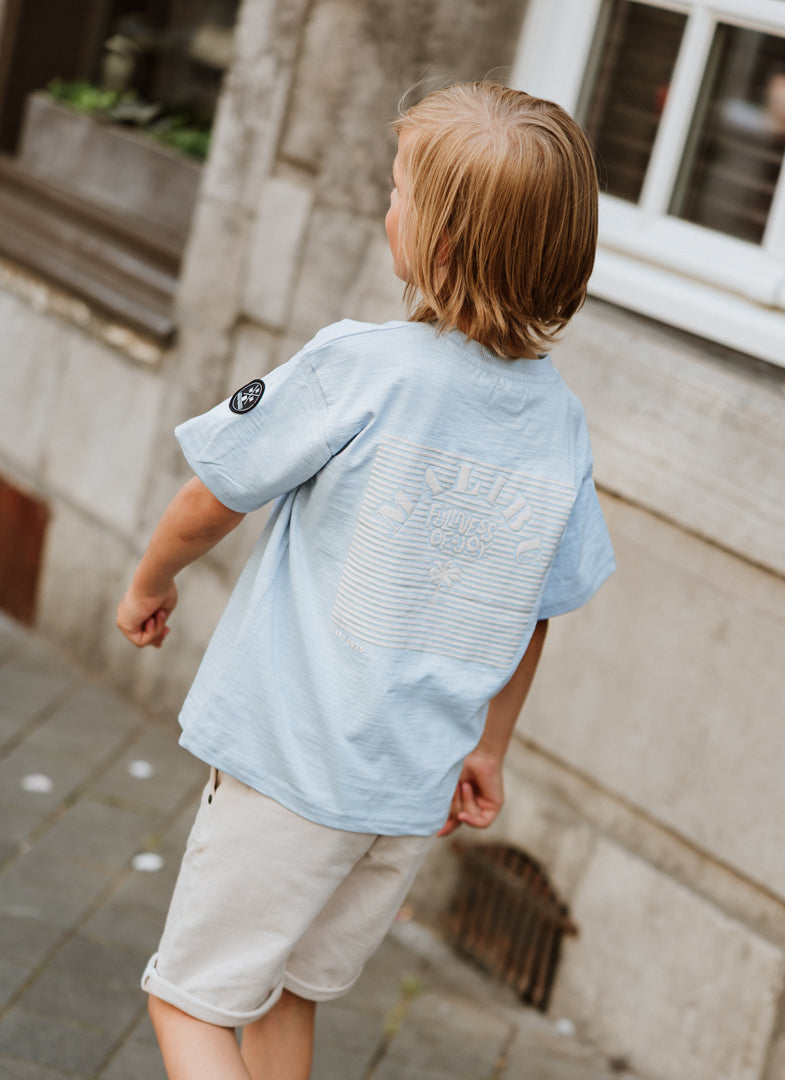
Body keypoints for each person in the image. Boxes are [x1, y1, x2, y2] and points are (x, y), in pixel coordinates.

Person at [115, 80, 615, 1080]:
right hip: (404, 796)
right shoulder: (558, 424)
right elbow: (537, 610)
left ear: (437, 243)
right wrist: (491, 746)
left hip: (290, 769)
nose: (387, 205)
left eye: (396, 191)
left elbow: (213, 496)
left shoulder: (361, 367)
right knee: (283, 996)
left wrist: (149, 581)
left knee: (190, 1003)